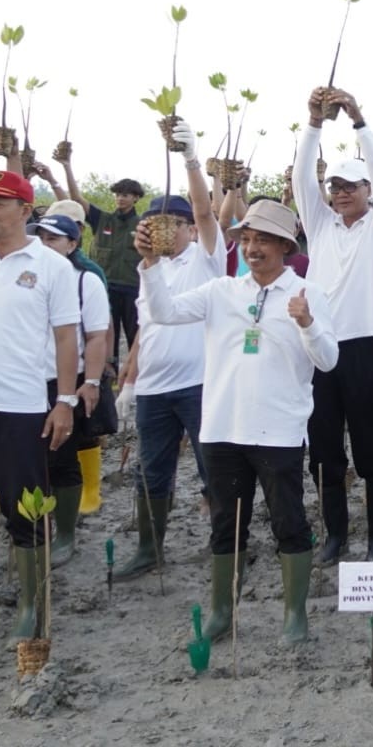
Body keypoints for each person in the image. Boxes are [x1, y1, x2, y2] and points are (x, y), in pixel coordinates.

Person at [137, 198, 338, 645]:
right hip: (223, 429)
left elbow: (327, 361)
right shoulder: (221, 292)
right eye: (246, 239)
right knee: (225, 524)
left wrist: (306, 323)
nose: (252, 248)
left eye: (263, 239)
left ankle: (294, 615)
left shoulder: (309, 294)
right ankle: (221, 613)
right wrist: (150, 264)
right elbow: (163, 312)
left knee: (289, 520)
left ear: (285, 245)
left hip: (280, 430)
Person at [113, 123, 225, 580]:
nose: (161, 230)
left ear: (185, 228)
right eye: (152, 223)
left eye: (170, 223)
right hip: (155, 388)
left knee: (212, 466)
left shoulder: (206, 256)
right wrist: (130, 380)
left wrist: (190, 157)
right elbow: (145, 329)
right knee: (150, 470)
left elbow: (204, 210)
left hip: (199, 383)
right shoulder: (148, 268)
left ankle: (227, 544)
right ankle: (149, 548)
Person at [293, 87, 373, 564]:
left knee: (372, 448)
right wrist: (313, 123)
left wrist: (358, 118)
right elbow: (301, 179)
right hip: (319, 349)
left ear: (366, 192)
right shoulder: (319, 227)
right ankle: (336, 536)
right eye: (334, 186)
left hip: (366, 350)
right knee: (323, 451)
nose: (339, 193)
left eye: (349, 186)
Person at [0, 170, 79, 644]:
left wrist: (64, 400)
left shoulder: (52, 267)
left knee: (24, 510)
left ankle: (30, 607)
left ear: (24, 210)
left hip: (18, 406)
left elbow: (66, 337)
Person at [27, 213, 110, 566]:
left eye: (53, 239)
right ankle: (33, 523)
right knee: (28, 458)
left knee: (61, 458)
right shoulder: (26, 278)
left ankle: (65, 534)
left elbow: (96, 336)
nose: (44, 245)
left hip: (62, 383)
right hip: (22, 381)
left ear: (72, 244)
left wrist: (90, 383)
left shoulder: (84, 281)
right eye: (40, 238)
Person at [61, 167, 142, 369]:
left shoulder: (142, 224)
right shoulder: (103, 219)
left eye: (125, 195)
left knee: (135, 335)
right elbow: (77, 200)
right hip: (106, 287)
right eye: (117, 195)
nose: (120, 199)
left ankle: (136, 375)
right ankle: (107, 374)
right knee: (105, 332)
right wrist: (66, 165)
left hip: (133, 288)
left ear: (136, 198)